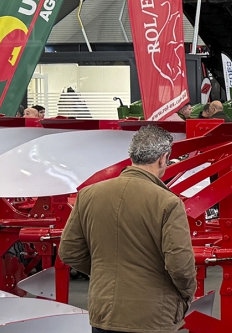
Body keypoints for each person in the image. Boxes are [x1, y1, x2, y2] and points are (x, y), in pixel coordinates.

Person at [60, 126, 197, 333]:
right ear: (163, 158)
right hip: (152, 315)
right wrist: (187, 293)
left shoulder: (88, 195)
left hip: (103, 311)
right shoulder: (168, 202)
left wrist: (103, 272)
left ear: (132, 155)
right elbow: (179, 264)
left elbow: (69, 251)